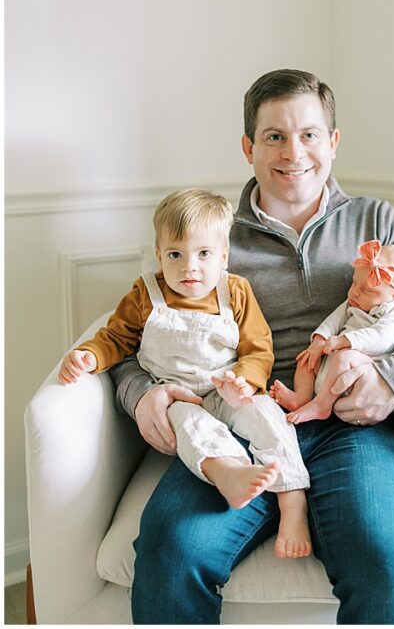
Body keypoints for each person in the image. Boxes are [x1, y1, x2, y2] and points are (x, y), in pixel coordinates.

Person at [110, 69, 394, 623]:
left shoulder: (373, 219)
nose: (293, 151)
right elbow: (130, 337)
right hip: (235, 425)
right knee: (171, 552)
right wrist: (142, 395)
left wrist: (393, 378)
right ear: (249, 147)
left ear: (334, 142)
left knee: (388, 565)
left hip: (351, 430)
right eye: (274, 135)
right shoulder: (210, 234)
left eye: (309, 134)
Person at [60, 189, 312, 558]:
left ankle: (293, 505)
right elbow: (115, 338)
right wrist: (88, 356)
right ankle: (227, 472)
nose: (189, 267)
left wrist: (244, 379)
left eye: (204, 254)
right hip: (176, 394)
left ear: (223, 256)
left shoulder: (236, 291)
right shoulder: (146, 294)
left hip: (225, 388)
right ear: (159, 255)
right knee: (190, 426)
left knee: (268, 417)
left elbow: (258, 347)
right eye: (175, 254)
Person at [271, 239, 394, 424]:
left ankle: (322, 406)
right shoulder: (356, 300)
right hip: (332, 365)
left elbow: (381, 337)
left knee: (344, 357)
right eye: (354, 283)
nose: (354, 293)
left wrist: (345, 340)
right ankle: (302, 398)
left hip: (361, 371)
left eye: (367, 290)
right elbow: (334, 320)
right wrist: (320, 339)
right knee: (307, 358)